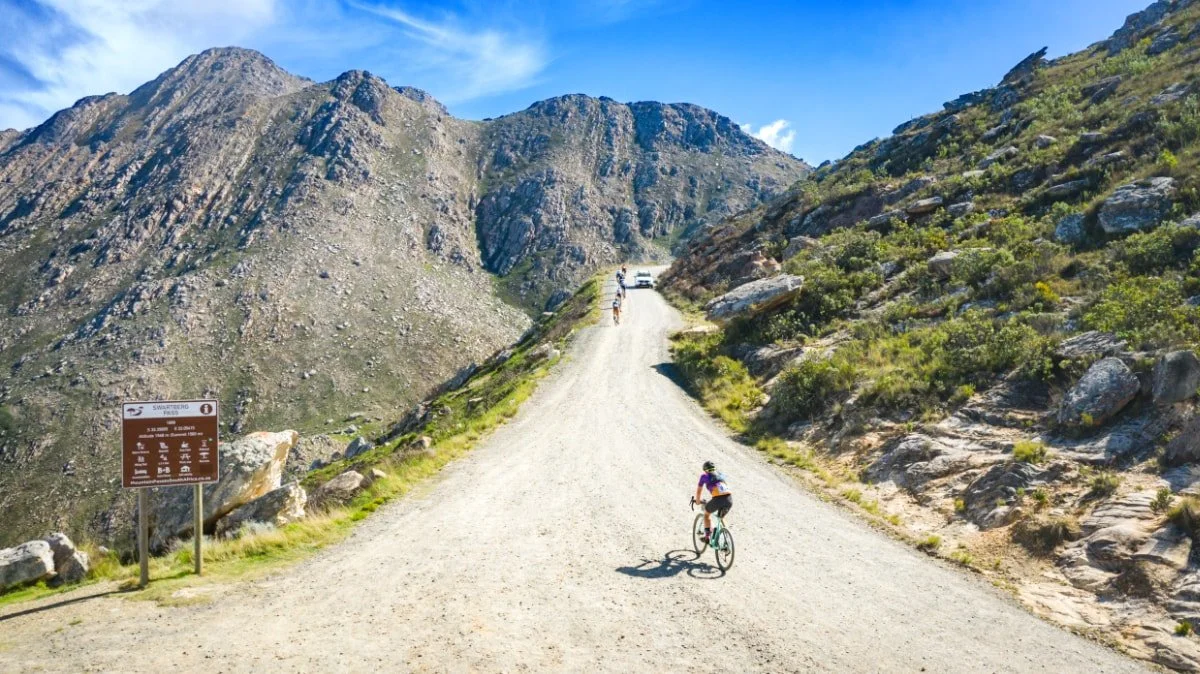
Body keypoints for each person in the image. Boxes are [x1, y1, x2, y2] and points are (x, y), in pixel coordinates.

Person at [692, 460, 732, 544]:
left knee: (706, 515)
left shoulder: (704, 476)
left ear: (705, 470)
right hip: (729, 499)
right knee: (720, 518)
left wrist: (698, 501)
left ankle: (707, 537)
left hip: (717, 500)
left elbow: (699, 491)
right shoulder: (720, 474)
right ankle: (726, 540)